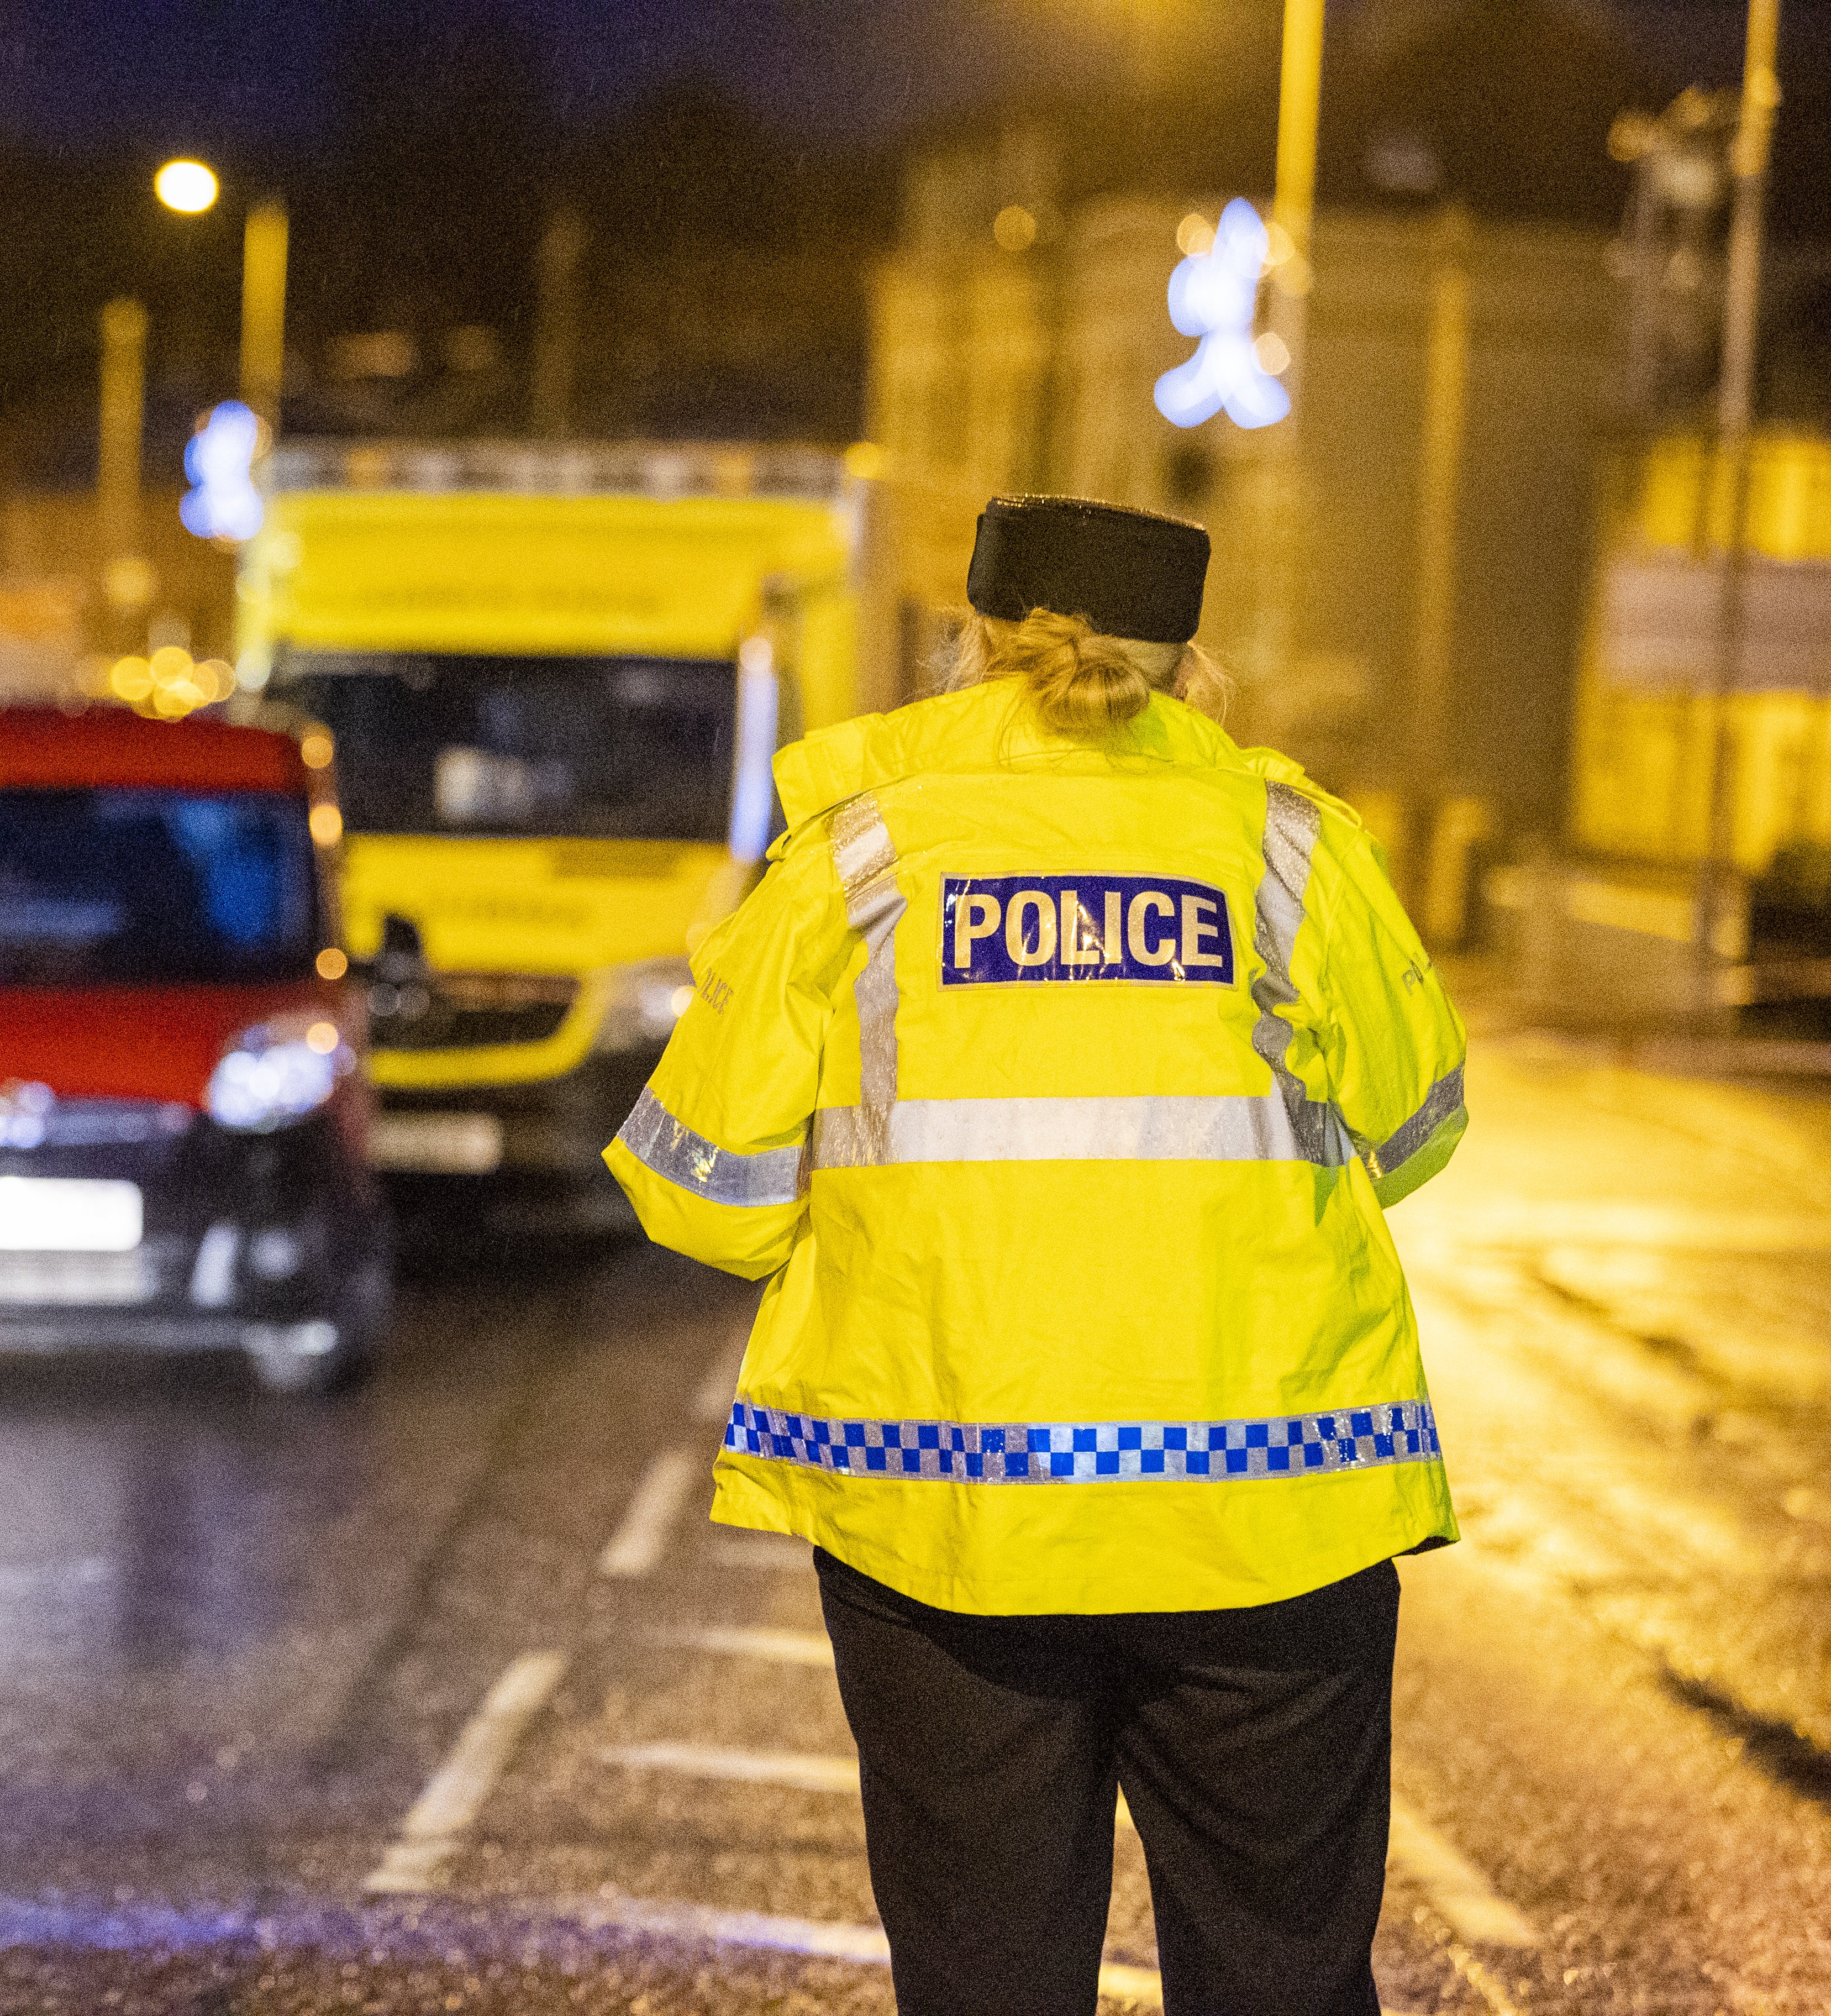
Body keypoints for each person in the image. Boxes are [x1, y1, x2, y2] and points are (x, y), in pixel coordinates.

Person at [606, 495, 1466, 2016]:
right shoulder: (1291, 850)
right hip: (1276, 1518)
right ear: (1188, 663)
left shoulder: (858, 854)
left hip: (953, 1522)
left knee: (987, 1979)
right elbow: (1412, 1136)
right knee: (1283, 1971)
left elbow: (708, 1194)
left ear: (974, 643)